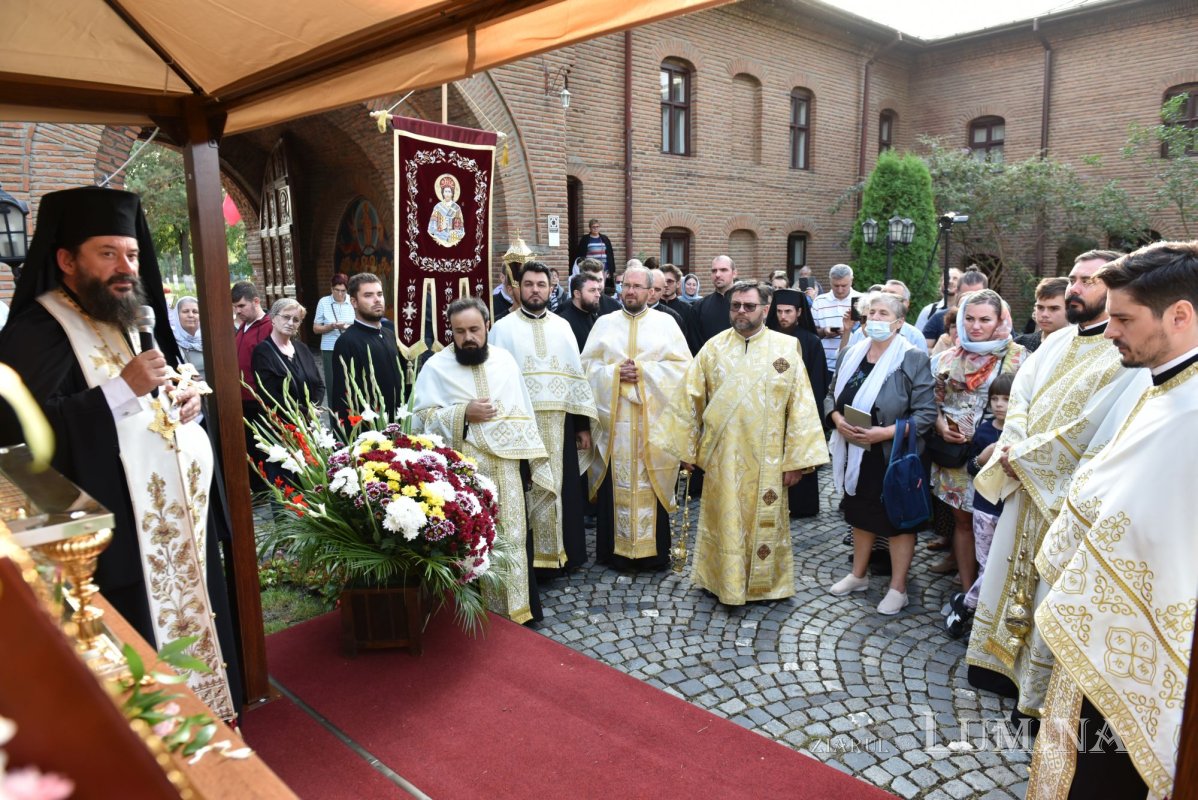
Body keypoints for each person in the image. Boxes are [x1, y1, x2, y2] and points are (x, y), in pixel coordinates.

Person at [0, 186, 238, 720]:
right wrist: (123, 391)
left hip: (171, 520)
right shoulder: (37, 329)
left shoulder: (128, 317)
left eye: (130, 254)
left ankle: (215, 719)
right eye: (107, 253)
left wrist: (181, 405)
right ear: (66, 260)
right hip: (114, 538)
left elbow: (151, 397)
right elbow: (22, 438)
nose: (124, 266)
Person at [1026, 241, 1198, 800]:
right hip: (1101, 629)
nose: (1109, 330)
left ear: (1180, 315)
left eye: (1123, 318)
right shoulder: (1166, 387)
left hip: (1144, 646)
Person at [965, 250, 1149, 721]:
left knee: (1051, 592)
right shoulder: (1057, 340)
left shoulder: (1125, 353)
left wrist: (1023, 456)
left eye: (1088, 280)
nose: (1075, 288)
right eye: (1073, 278)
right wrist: (1012, 446)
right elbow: (1020, 395)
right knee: (1008, 573)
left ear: (1113, 289)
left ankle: (1038, 694)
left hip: (1065, 496)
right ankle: (999, 667)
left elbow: (1092, 428)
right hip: (1024, 483)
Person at [654, 281, 827, 604]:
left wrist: (799, 462)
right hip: (724, 457)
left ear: (765, 309)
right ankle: (720, 580)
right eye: (736, 306)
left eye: (749, 306)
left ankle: (766, 586)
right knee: (725, 520)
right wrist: (686, 450)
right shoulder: (714, 348)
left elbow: (801, 406)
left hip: (770, 459)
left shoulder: (786, 348)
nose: (742, 312)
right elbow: (689, 398)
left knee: (765, 523)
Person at [411, 297, 554, 624]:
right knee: (470, 542)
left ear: (487, 326)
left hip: (507, 469)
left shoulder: (505, 362)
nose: (468, 338)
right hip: (462, 472)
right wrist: (463, 414)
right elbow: (419, 422)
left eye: (474, 329)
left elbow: (523, 412)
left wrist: (529, 464)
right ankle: (476, 615)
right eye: (460, 331)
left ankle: (519, 611)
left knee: (513, 536)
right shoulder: (435, 367)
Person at [825, 291, 936, 615]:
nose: (875, 318)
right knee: (860, 514)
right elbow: (831, 394)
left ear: (899, 323)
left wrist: (883, 433)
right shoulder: (851, 352)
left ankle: (897, 588)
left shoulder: (912, 357)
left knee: (897, 521)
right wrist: (836, 420)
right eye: (871, 312)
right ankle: (858, 575)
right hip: (856, 450)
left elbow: (926, 414)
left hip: (893, 455)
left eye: (883, 313)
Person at [490, 262, 598, 573]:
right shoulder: (501, 328)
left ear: (551, 288)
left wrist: (581, 426)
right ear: (516, 288)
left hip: (561, 424)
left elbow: (575, 379)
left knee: (565, 488)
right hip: (521, 425)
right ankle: (535, 563)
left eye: (541, 284)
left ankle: (567, 555)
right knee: (527, 489)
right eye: (529, 284)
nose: (535, 290)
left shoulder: (562, 326)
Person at [581, 264, 691, 570]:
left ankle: (652, 555)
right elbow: (585, 369)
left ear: (650, 291)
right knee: (613, 485)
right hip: (613, 426)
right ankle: (611, 552)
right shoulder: (604, 323)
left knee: (649, 483)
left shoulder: (666, 324)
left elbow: (683, 371)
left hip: (652, 427)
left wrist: (642, 372)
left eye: (637, 287)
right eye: (625, 286)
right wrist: (615, 373)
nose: (630, 291)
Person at [929, 289, 1026, 605]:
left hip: (995, 454)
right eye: (968, 318)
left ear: (1000, 320)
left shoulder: (1019, 358)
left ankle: (994, 592)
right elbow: (935, 399)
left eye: (985, 319)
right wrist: (941, 424)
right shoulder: (948, 357)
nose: (975, 326)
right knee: (962, 521)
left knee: (996, 522)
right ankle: (968, 592)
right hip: (954, 454)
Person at [943, 373, 1011, 639]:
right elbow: (971, 468)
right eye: (994, 398)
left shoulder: (1024, 430)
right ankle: (982, 616)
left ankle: (966, 605)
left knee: (1000, 563)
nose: (999, 404)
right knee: (986, 564)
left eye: (1006, 399)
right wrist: (984, 457)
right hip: (985, 507)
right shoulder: (984, 431)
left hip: (1009, 507)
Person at [766, 288, 827, 517]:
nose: (783, 316)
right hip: (770, 409)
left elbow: (817, 383)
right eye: (779, 311)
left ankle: (801, 505)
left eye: (788, 311)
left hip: (800, 409)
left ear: (799, 312)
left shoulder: (811, 342)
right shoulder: (767, 338)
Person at [330, 272, 403, 423]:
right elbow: (344, 397)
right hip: (370, 430)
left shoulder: (390, 335)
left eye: (380, 294)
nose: (377, 300)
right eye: (368, 295)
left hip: (398, 423)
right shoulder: (347, 342)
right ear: (354, 302)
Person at [252, 297, 324, 411]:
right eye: (286, 317)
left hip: (311, 422)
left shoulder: (302, 349)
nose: (290, 323)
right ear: (273, 318)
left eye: (296, 320)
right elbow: (268, 394)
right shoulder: (262, 352)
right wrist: (304, 412)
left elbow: (319, 385)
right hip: (284, 422)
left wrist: (314, 409)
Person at [233, 280, 272, 490]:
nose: (237, 311)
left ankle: (266, 488)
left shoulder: (269, 327)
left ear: (255, 301)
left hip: (258, 399)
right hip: (241, 398)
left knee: (262, 447)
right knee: (248, 446)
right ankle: (256, 487)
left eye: (241, 306)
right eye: (235, 307)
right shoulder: (241, 327)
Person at [842, 280, 929, 354]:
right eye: (883, 294)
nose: (875, 317)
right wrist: (847, 331)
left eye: (892, 296)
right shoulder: (861, 332)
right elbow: (843, 359)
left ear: (905, 304)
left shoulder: (915, 336)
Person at [811, 264, 860, 385]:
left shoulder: (860, 300)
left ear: (851, 280)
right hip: (824, 365)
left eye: (844, 285)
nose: (840, 290)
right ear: (830, 281)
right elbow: (810, 332)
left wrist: (849, 331)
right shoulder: (819, 301)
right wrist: (824, 331)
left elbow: (866, 333)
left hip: (853, 364)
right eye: (836, 286)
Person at [923, 267, 987, 349]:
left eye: (977, 296)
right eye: (966, 296)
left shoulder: (997, 321)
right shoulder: (939, 318)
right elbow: (923, 349)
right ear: (957, 292)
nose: (971, 301)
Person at [685, 255, 737, 355]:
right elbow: (694, 344)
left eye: (723, 270)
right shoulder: (698, 307)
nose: (717, 274)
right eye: (714, 271)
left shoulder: (747, 305)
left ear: (734, 273)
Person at [312, 273, 352, 384]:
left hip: (350, 346)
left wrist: (347, 327)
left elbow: (360, 324)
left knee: (351, 379)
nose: (340, 294)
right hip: (330, 348)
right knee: (332, 381)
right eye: (336, 290)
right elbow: (316, 328)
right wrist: (331, 326)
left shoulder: (353, 301)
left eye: (343, 291)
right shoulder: (323, 302)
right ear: (331, 288)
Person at [1013, 277, 1069, 353]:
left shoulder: (1077, 347)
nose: (1044, 314)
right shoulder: (1020, 344)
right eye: (1040, 307)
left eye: (1053, 308)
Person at [555, 271, 602, 352]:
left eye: (598, 290)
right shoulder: (562, 323)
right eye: (592, 290)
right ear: (577, 294)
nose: (598, 295)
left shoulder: (596, 320)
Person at [914, 266, 963, 332]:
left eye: (955, 279)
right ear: (941, 283)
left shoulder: (966, 310)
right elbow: (918, 338)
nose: (950, 281)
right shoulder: (929, 311)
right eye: (946, 278)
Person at [170, 295, 205, 381]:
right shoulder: (172, 342)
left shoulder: (208, 339)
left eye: (195, 311)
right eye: (185, 311)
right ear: (177, 315)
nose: (191, 315)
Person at [647, 267, 686, 331]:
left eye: (669, 281)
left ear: (678, 283)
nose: (666, 285)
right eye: (650, 288)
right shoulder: (634, 310)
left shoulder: (677, 314)